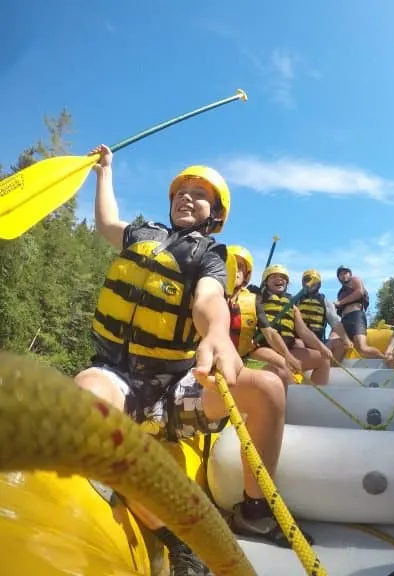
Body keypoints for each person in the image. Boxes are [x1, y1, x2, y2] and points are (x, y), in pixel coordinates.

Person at [75, 146, 312, 575]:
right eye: (181, 191)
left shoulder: (210, 257)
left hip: (174, 391)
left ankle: (255, 510)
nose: (187, 197)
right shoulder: (140, 234)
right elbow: (107, 223)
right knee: (87, 400)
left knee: (268, 389)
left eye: (199, 194)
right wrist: (103, 172)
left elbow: (209, 301)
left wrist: (217, 334)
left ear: (215, 214)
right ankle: (176, 543)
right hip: (118, 376)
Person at [227, 245, 303, 388]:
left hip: (242, 354)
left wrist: (289, 356)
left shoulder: (252, 300)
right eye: (229, 265)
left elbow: (270, 333)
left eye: (240, 267)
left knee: (283, 364)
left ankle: (293, 403)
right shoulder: (206, 292)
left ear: (246, 275)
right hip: (213, 357)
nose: (235, 270)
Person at [257, 264, 334, 384]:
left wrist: (321, 347)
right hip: (266, 349)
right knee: (286, 372)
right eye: (274, 277)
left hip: (288, 349)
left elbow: (303, 331)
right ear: (266, 282)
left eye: (283, 277)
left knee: (323, 359)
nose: (279, 279)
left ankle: (317, 399)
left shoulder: (292, 305)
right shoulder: (258, 299)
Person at [296, 268, 354, 361]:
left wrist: (346, 340)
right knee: (298, 344)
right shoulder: (296, 300)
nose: (310, 282)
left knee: (340, 344)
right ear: (303, 282)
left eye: (313, 280)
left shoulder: (325, 301)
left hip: (318, 342)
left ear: (319, 284)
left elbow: (335, 323)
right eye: (307, 280)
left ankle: (329, 370)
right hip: (299, 340)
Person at [333, 265, 387, 361]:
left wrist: (340, 302)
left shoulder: (355, 280)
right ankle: (332, 370)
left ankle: (385, 358)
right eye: (340, 274)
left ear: (350, 273)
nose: (343, 275)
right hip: (343, 320)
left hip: (355, 317)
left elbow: (359, 292)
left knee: (362, 349)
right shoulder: (340, 292)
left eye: (345, 273)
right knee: (334, 343)